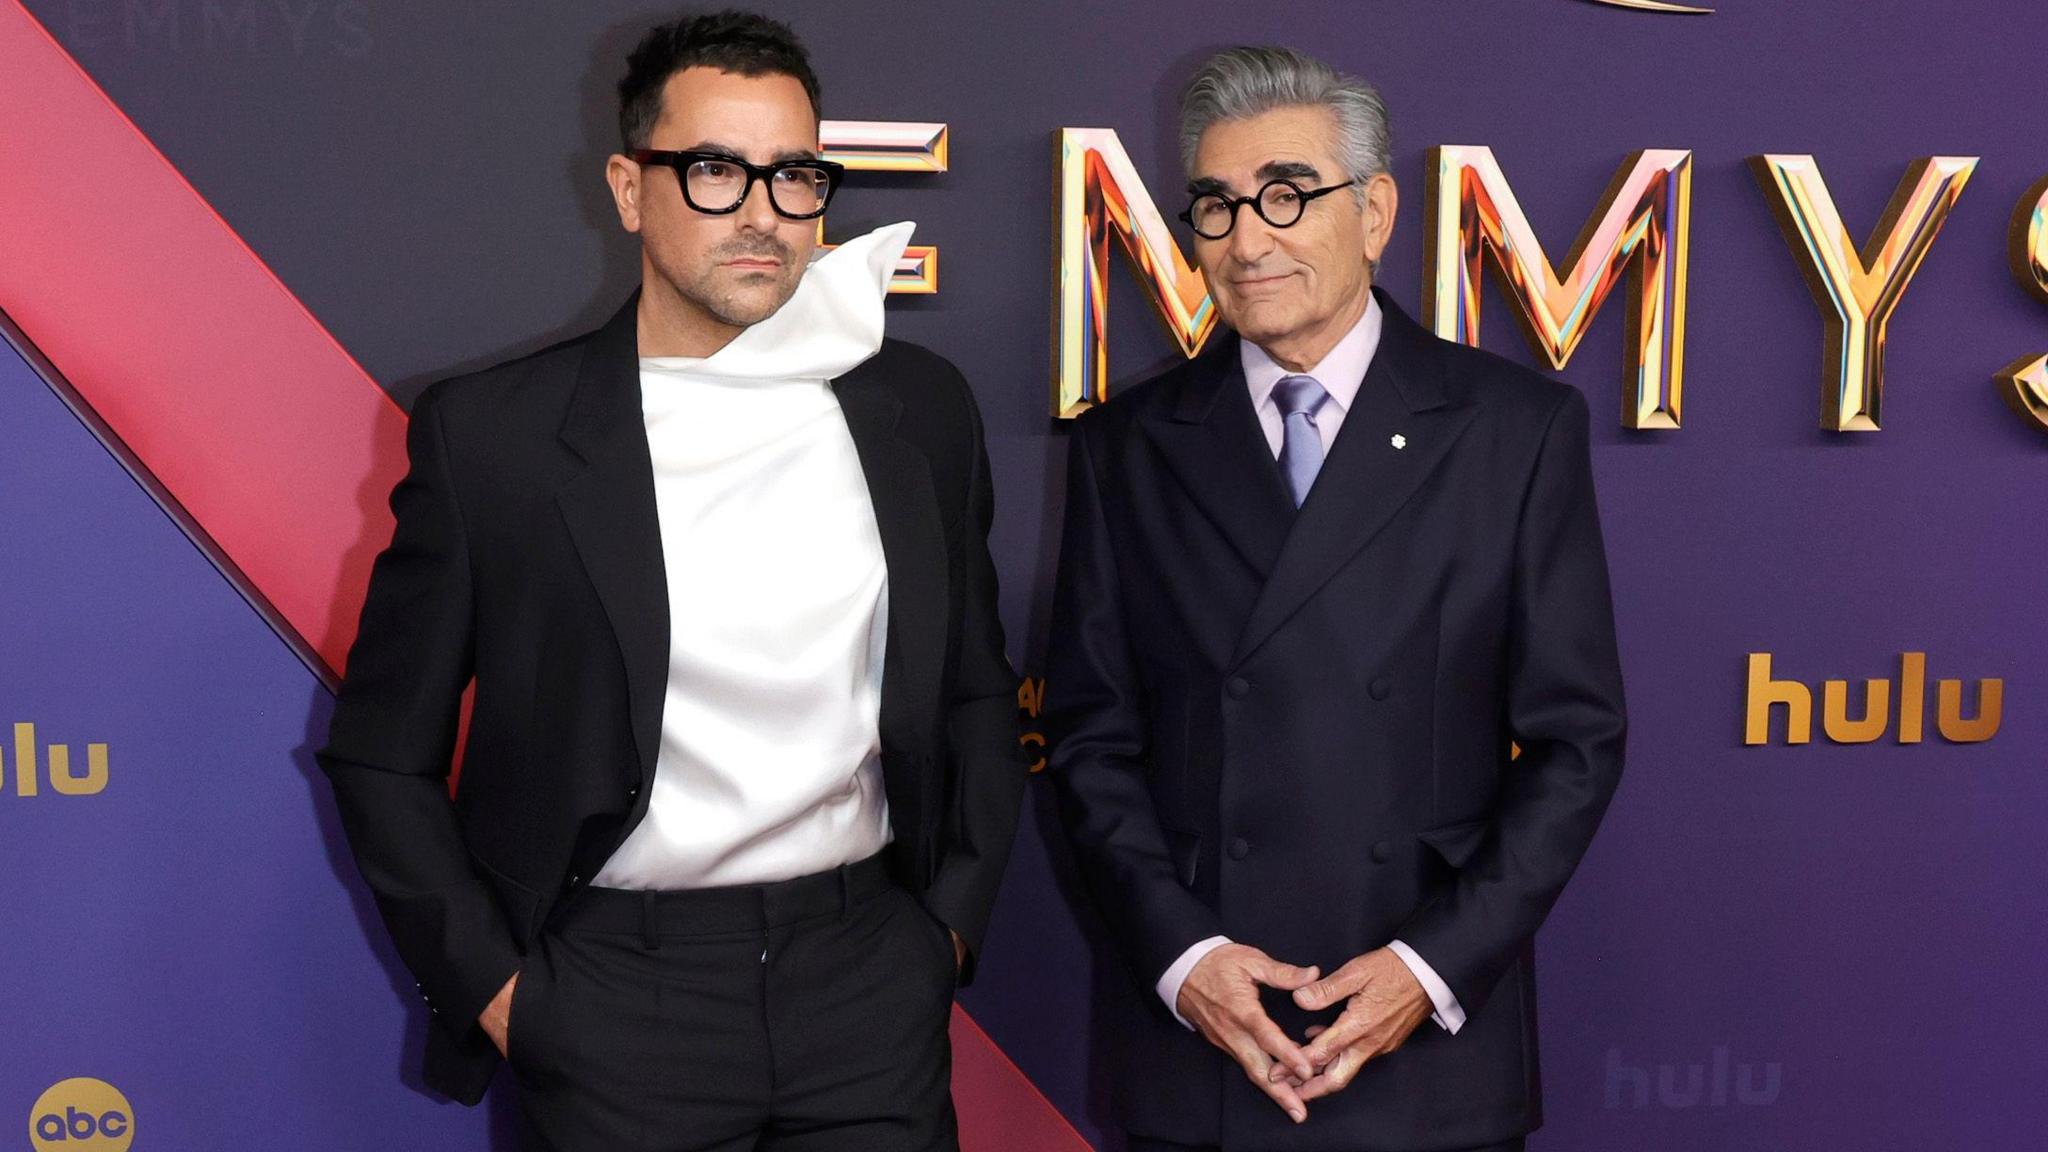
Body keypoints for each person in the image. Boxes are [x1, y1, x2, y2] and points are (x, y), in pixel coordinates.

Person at [317, 11, 1024, 1150]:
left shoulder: (917, 408)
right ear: (628, 187)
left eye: (793, 174)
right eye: (712, 169)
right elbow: (381, 752)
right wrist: (507, 992)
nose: (760, 211)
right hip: (611, 993)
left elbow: (978, 690)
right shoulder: (496, 436)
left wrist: (941, 933)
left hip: (864, 980)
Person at [1047, 45, 1627, 1152]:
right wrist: (1186, 961)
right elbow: (1088, 739)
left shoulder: (1510, 430)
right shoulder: (1126, 445)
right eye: (1213, 207)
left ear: (1373, 212)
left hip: (1425, 1041)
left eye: (1283, 195)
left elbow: (1575, 744)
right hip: (1208, 1039)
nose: (1245, 239)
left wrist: (1427, 967)